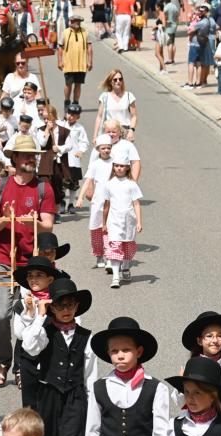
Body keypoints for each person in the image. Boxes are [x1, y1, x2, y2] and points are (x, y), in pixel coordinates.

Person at [20, 276, 95, 436]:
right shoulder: (44, 329)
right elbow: (30, 347)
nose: (65, 310)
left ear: (76, 307)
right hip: (47, 393)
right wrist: (41, 316)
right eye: (60, 305)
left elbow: (90, 374)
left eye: (70, 305)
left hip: (74, 395)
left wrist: (92, 404)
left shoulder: (86, 336)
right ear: (51, 306)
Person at [0, 134, 55, 389]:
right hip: (4, 259)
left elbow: (48, 225)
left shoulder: (43, 188)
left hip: (31, 265)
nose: (31, 160)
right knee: (1, 316)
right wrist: (6, 219)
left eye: (34, 156)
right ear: (14, 158)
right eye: (26, 156)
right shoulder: (0, 187)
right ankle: (3, 360)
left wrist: (32, 221)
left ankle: (20, 366)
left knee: (25, 316)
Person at [102, 146, 144, 287]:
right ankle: (115, 276)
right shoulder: (109, 185)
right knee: (115, 246)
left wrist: (139, 221)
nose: (119, 168)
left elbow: (136, 203)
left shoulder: (131, 185)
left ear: (127, 168)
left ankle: (125, 267)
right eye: (117, 166)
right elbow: (106, 205)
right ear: (113, 167)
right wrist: (104, 223)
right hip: (114, 220)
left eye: (122, 166)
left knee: (127, 246)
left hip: (128, 220)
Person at [77, 133, 114, 267]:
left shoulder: (115, 163)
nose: (106, 150)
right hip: (98, 201)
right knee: (96, 229)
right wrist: (80, 197)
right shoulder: (95, 164)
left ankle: (110, 256)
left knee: (110, 228)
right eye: (103, 148)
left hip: (111, 201)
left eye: (108, 148)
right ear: (98, 149)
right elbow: (88, 182)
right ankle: (99, 255)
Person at [58, 13, 92, 110]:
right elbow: (60, 48)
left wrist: (90, 61)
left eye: (79, 21)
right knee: (68, 84)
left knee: (78, 84)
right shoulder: (65, 32)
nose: (77, 23)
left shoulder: (85, 32)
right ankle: (67, 101)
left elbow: (89, 47)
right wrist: (60, 61)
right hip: (69, 64)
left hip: (81, 64)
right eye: (75, 21)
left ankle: (76, 102)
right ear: (71, 22)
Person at [93, 69, 137, 142]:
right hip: (109, 132)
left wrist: (131, 130)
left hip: (124, 132)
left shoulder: (129, 96)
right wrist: (95, 136)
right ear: (110, 82)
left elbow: (134, 116)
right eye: (115, 79)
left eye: (120, 79)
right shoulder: (104, 97)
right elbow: (99, 117)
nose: (118, 81)